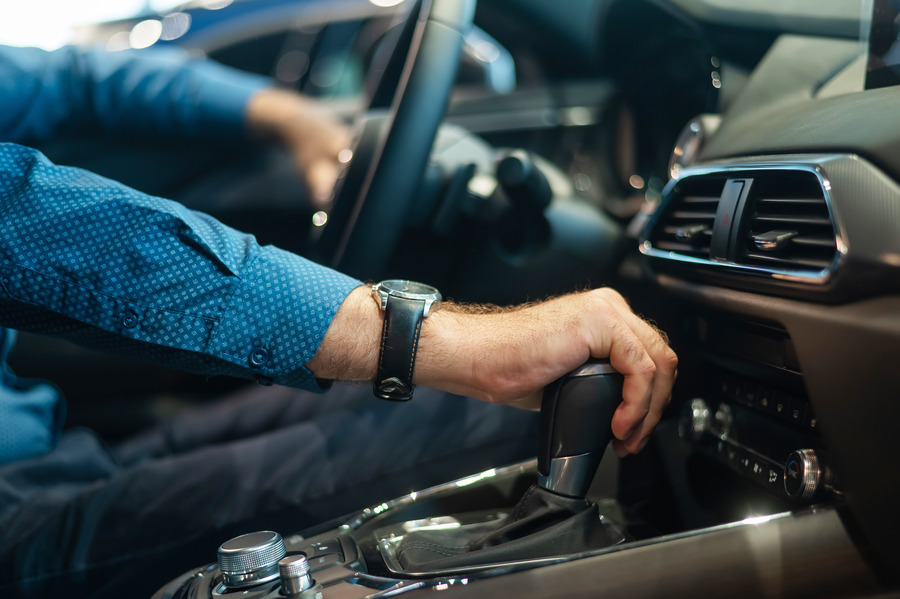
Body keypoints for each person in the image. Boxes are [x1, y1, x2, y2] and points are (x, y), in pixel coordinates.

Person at [0, 44, 677, 598]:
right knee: (508, 422)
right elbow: (30, 224)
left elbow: (75, 78)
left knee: (452, 412)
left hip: (46, 454)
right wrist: (449, 342)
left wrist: (293, 118)